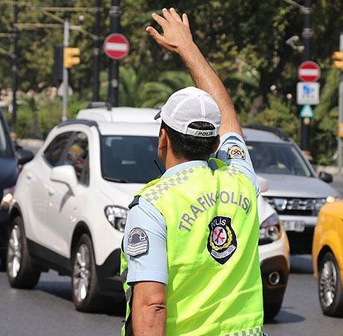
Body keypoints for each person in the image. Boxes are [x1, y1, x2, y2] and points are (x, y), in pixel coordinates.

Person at [120, 8, 264, 336]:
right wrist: (188, 48)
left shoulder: (153, 207)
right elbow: (226, 112)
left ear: (163, 137)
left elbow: (152, 305)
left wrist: (183, 48)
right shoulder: (242, 180)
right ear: (216, 143)